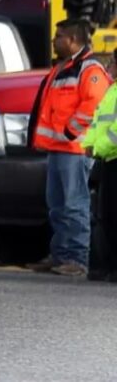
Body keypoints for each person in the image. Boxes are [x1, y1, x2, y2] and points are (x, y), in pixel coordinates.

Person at [31, 19, 112, 276]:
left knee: (74, 204)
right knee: (57, 204)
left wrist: (70, 131)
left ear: (73, 41)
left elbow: (94, 103)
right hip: (58, 148)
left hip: (74, 150)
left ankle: (77, 260)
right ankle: (61, 255)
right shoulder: (64, 68)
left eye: (59, 36)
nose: (54, 40)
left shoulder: (89, 69)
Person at [83, 49, 117, 281]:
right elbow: (99, 123)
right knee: (107, 215)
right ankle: (108, 265)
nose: (110, 65)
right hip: (107, 160)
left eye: (114, 61)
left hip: (111, 157)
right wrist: (90, 144)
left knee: (113, 215)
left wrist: (98, 147)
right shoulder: (112, 90)